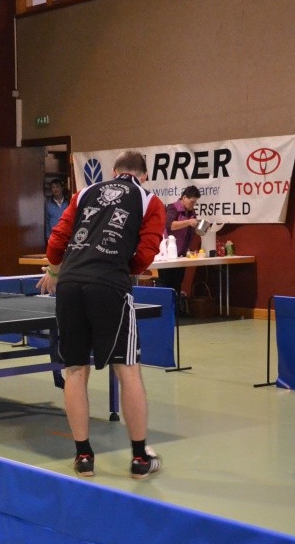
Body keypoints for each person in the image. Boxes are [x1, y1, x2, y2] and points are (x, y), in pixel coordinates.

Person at [38, 150, 166, 479]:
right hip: (110, 286)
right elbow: (146, 255)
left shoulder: (84, 194)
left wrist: (55, 271)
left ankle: (83, 456)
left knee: (75, 370)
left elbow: (56, 242)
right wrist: (120, 268)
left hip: (70, 284)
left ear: (113, 171)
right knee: (128, 370)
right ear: (144, 175)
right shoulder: (149, 201)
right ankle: (140, 459)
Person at [157, 184, 202, 297]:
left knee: (177, 284)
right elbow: (169, 225)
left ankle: (176, 307)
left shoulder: (191, 211)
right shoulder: (173, 208)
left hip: (181, 255)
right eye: (192, 202)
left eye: (195, 202)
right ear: (184, 197)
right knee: (166, 284)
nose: (193, 205)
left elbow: (190, 231)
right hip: (168, 255)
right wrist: (188, 222)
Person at [45, 178, 68, 242]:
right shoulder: (48, 204)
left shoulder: (68, 202)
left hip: (67, 236)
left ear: (62, 188)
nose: (55, 189)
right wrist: (48, 237)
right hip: (54, 237)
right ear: (51, 190)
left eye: (57, 187)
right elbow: (47, 222)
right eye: (53, 187)